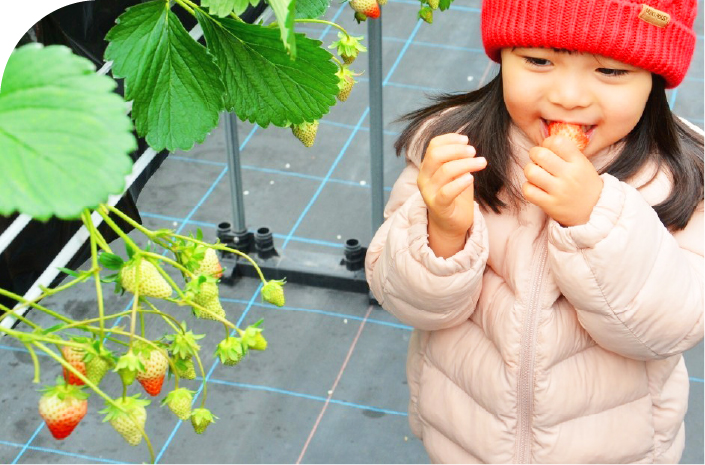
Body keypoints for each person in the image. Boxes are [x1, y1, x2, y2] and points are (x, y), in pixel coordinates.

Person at [364, 0, 704, 462]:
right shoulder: (455, 149)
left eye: (609, 70)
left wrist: (595, 219)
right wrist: (442, 230)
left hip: (619, 449)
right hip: (467, 438)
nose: (568, 95)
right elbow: (406, 299)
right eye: (539, 61)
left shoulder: (681, 178)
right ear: (502, 57)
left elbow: (668, 328)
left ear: (654, 80)